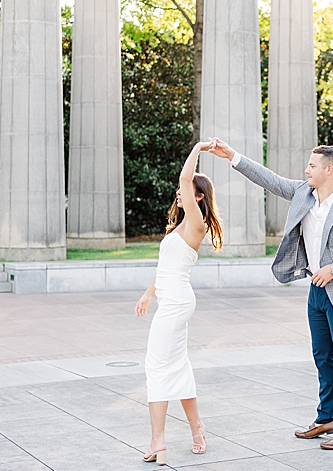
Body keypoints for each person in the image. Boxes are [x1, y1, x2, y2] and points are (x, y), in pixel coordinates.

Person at [209, 138, 333, 450]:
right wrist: (231, 155)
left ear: (330, 170)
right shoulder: (304, 193)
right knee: (322, 358)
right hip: (316, 293)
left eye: (312, 166)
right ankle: (327, 418)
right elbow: (270, 180)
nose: (307, 170)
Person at [134, 140, 223, 465]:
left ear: (198, 197)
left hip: (177, 304)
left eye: (186, 191)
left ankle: (158, 441)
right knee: (177, 366)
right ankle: (197, 428)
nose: (179, 193)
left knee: (155, 366)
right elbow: (167, 268)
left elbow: (186, 179)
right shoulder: (180, 226)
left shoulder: (196, 223)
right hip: (170, 298)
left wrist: (198, 147)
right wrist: (148, 292)